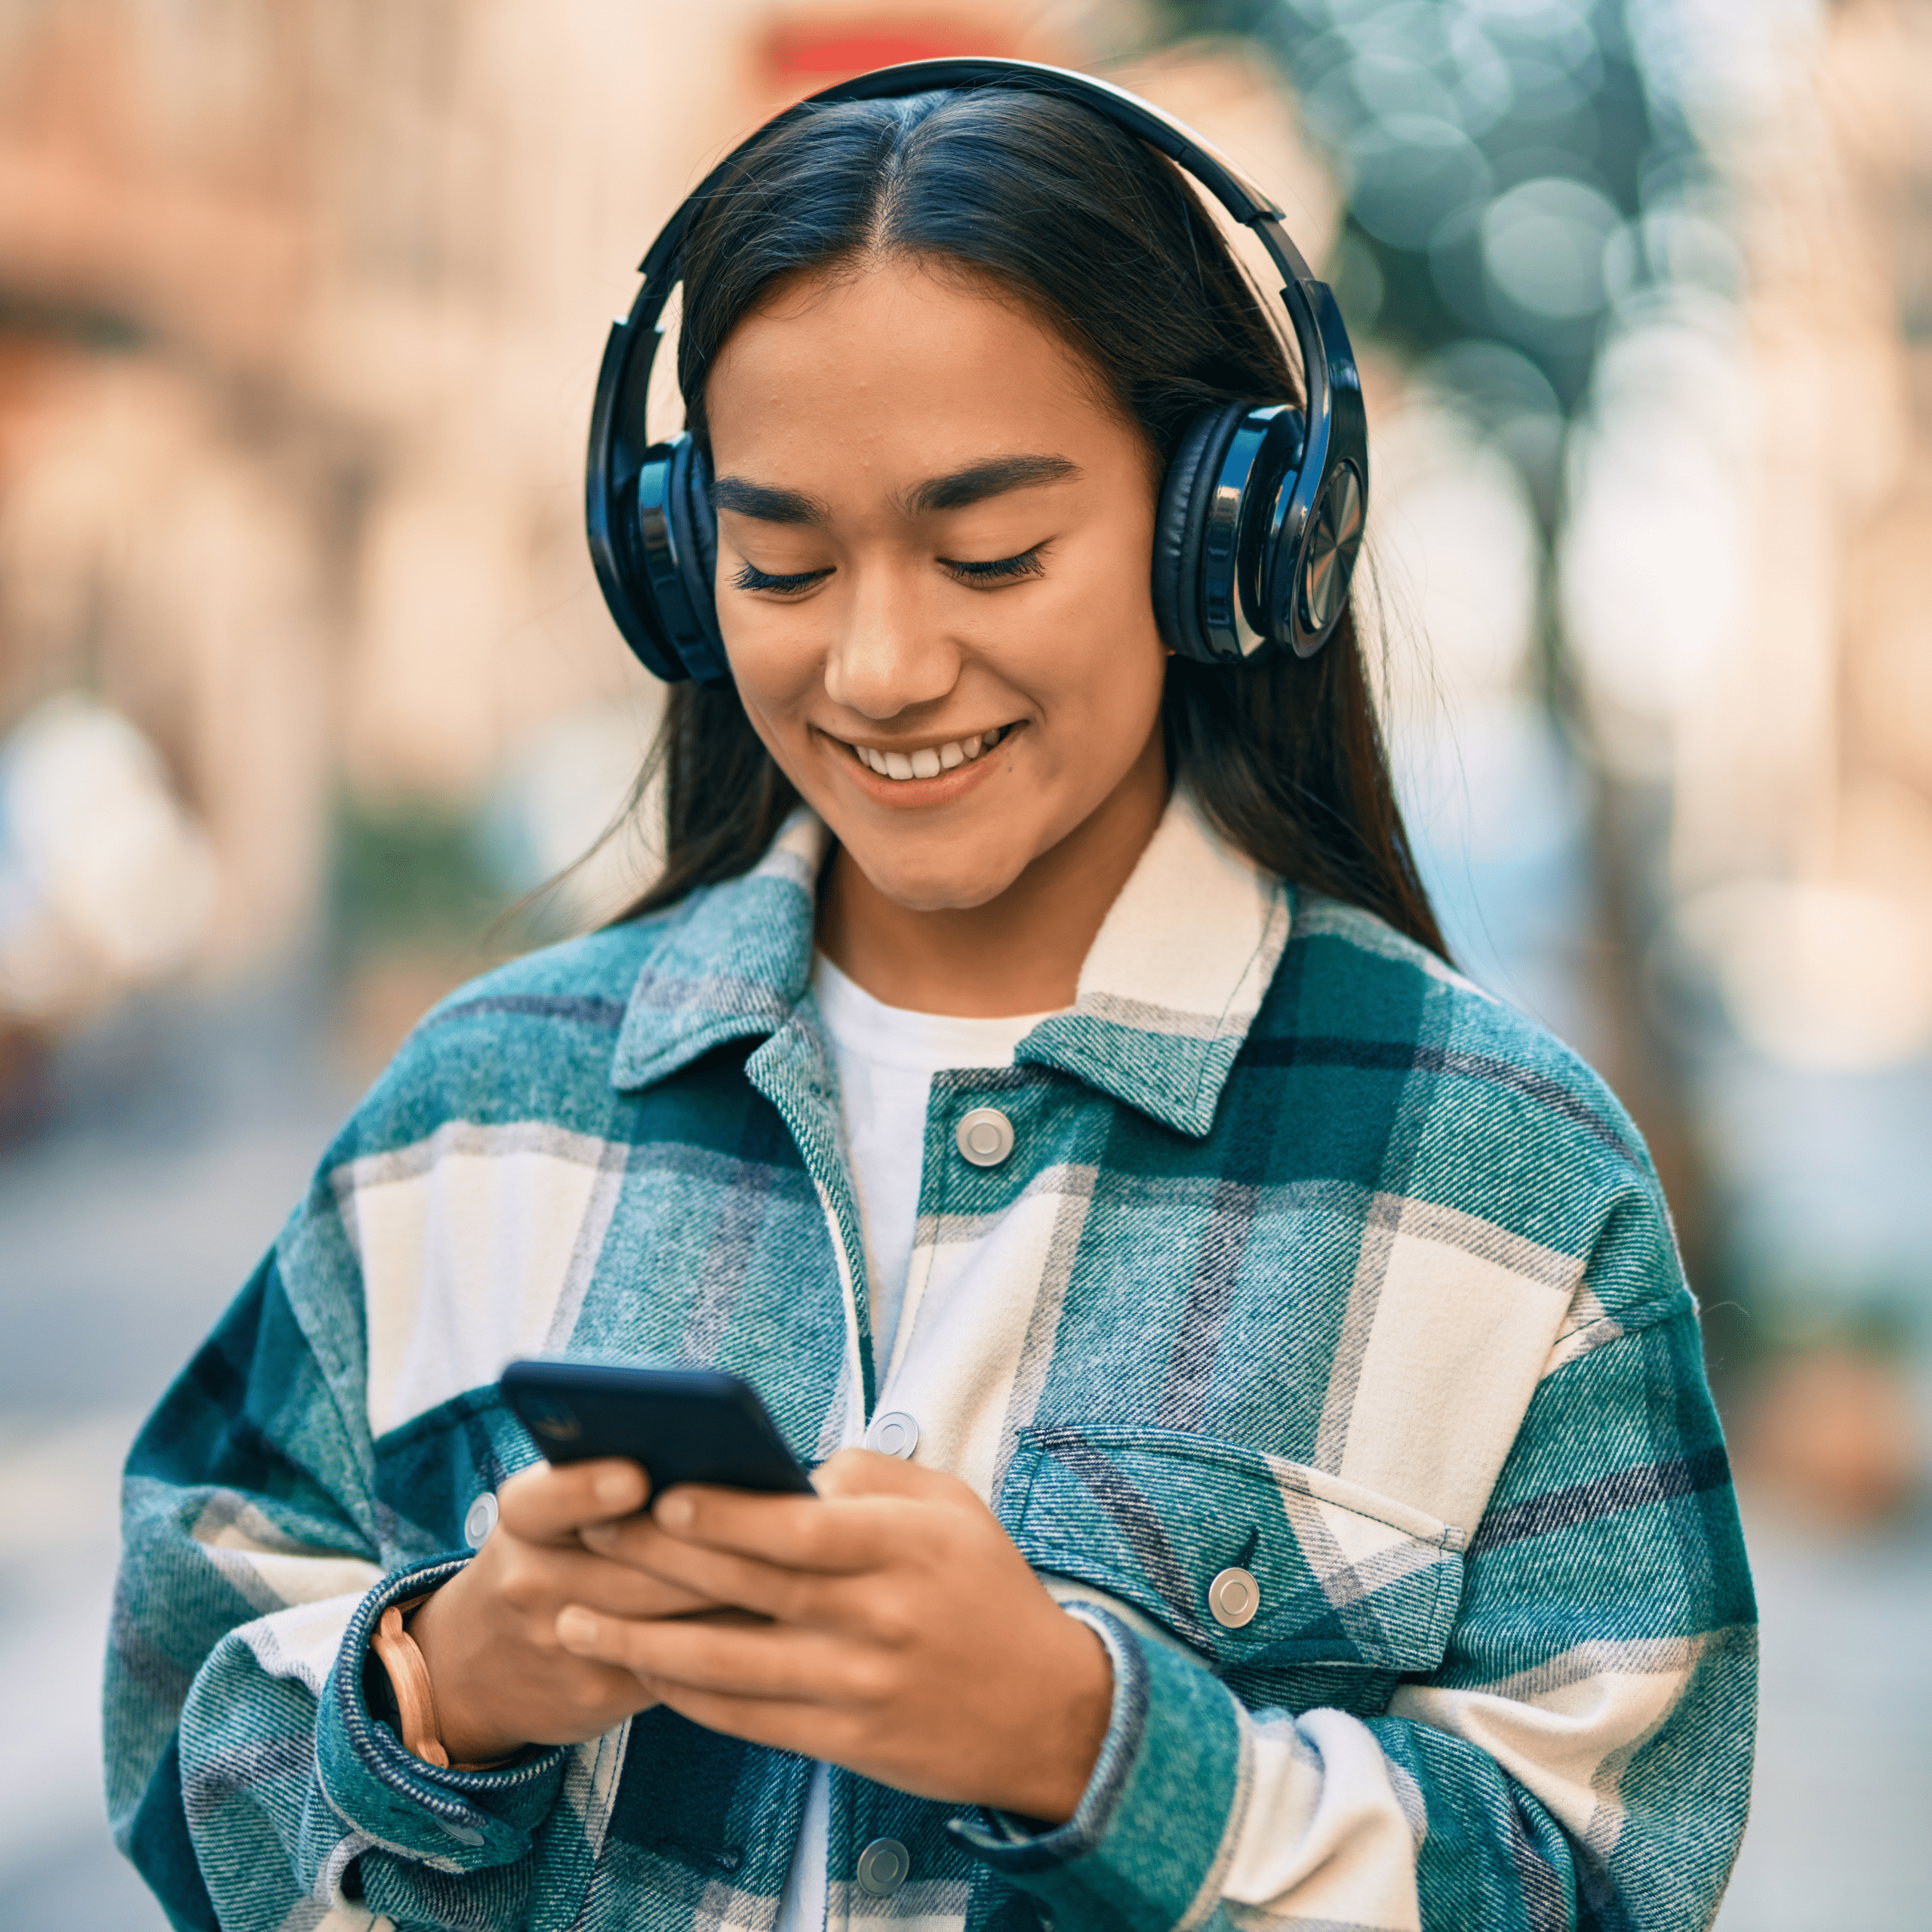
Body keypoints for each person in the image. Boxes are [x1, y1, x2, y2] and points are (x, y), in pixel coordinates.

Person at [106, 66, 1755, 1932]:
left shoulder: (1503, 1174)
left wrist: (1086, 1742)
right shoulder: (473, 1111)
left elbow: (1602, 1879)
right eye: (782, 564)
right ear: (677, 562)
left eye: (991, 554)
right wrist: (442, 1685)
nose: (880, 665)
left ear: (1225, 531)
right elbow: (181, 1738)